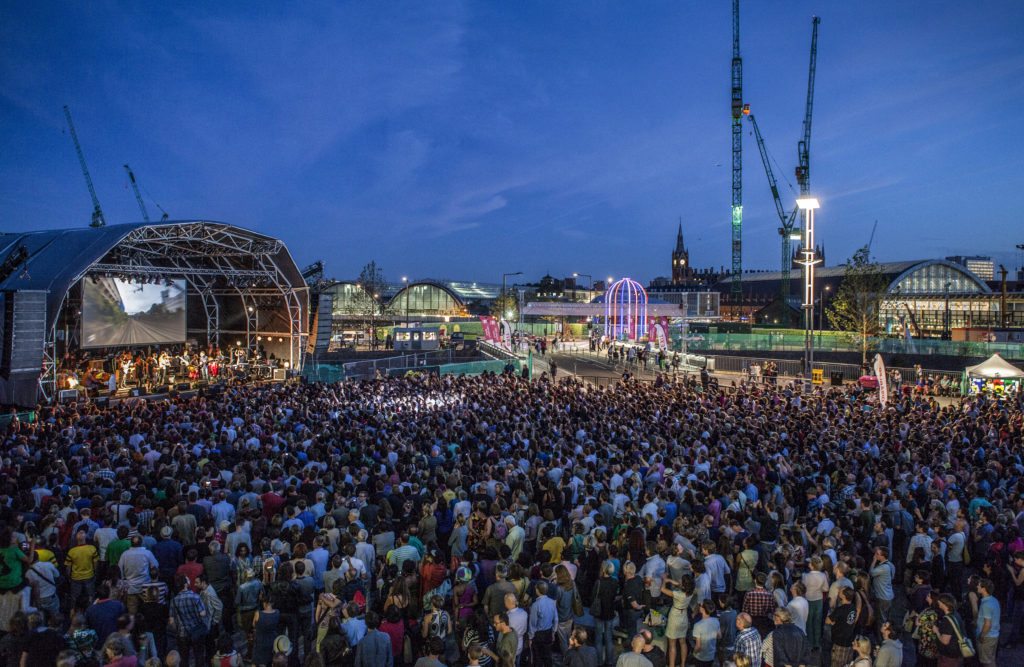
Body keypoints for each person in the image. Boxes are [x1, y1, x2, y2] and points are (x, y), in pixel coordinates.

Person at [660, 575, 693, 667]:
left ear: (683, 585)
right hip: (684, 616)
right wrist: (669, 580)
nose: (679, 580)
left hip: (675, 617)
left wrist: (664, 581)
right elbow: (679, 584)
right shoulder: (691, 591)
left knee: (672, 645)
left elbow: (662, 589)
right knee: (683, 642)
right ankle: (683, 664)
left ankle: (672, 665)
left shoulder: (678, 594)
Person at [975, 578, 1000, 667]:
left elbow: (987, 624)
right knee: (991, 660)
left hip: (987, 637)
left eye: (979, 585)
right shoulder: (994, 600)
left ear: (984, 588)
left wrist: (981, 635)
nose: (977, 586)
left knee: (986, 662)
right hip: (994, 635)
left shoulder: (986, 604)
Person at [692, 600, 720, 667]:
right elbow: (719, 636)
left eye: (701, 606)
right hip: (711, 656)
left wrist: (694, 653)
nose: (699, 606)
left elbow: (698, 646)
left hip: (700, 657)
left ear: (703, 609)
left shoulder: (698, 625)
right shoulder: (716, 621)